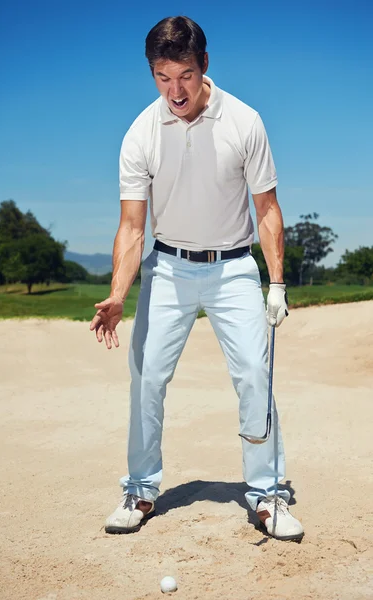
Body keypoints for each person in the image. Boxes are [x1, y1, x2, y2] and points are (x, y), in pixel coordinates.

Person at [90, 16, 304, 541]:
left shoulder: (244, 121)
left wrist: (275, 283)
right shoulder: (142, 131)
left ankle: (267, 495)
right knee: (146, 378)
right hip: (167, 267)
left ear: (204, 66)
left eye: (184, 75)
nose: (174, 90)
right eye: (162, 77)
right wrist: (118, 293)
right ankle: (140, 489)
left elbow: (268, 208)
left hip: (233, 268)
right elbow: (133, 226)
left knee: (256, 374)